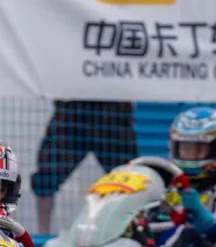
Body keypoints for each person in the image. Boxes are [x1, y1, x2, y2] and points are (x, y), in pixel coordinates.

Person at [152, 106, 216, 247]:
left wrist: (199, 211)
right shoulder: (165, 187)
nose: (191, 155)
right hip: (160, 245)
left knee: (185, 231)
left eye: (199, 149)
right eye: (186, 149)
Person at [32, 100, 137, 235]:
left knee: (129, 176)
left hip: (112, 109)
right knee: (46, 176)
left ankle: (131, 231)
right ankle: (42, 235)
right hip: (72, 109)